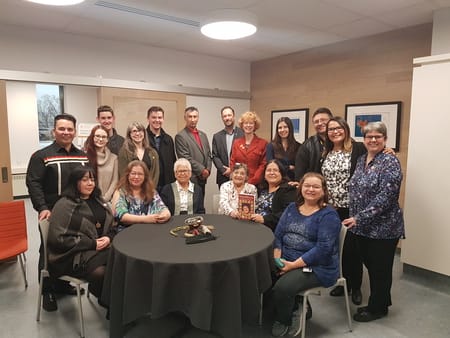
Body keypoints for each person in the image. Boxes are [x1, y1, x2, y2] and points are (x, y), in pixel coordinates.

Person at [26, 113, 89, 312]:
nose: (66, 132)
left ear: (75, 132)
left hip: (76, 213)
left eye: (70, 129)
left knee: (71, 249)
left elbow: (86, 182)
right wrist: (42, 207)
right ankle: (47, 292)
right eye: (62, 129)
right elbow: (33, 183)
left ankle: (63, 285)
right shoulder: (42, 156)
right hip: (51, 213)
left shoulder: (82, 156)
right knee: (48, 251)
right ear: (54, 131)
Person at [343, 122, 404, 323]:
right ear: (364, 139)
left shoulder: (390, 162)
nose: (373, 140)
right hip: (363, 228)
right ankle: (380, 302)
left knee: (380, 270)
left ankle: (378, 309)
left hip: (384, 228)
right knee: (373, 266)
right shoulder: (361, 159)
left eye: (378, 136)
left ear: (385, 139)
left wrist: (359, 217)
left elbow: (386, 197)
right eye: (369, 137)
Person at [271, 172, 341, 337]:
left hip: (317, 266)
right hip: (286, 259)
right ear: (300, 187)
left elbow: (323, 250)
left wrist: (291, 266)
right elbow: (278, 235)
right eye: (307, 185)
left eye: (316, 186)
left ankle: (285, 319)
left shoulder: (328, 215)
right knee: (262, 273)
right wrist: (277, 259)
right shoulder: (291, 208)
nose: (311, 189)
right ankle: (295, 304)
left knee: (283, 287)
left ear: (323, 191)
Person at [47, 166, 115, 300]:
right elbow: (58, 239)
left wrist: (108, 237)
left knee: (121, 265)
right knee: (101, 273)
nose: (90, 183)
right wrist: (92, 243)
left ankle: (119, 304)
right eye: (85, 180)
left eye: (92, 179)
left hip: (100, 249)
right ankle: (111, 306)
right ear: (74, 182)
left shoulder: (98, 200)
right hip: (72, 256)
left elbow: (112, 225)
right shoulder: (64, 205)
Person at [321, 116, 366, 304]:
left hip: (351, 208)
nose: (335, 131)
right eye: (331, 129)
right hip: (331, 208)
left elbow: (375, 157)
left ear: (345, 129)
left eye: (338, 128)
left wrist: (388, 151)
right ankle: (342, 283)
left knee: (352, 250)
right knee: (336, 248)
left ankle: (355, 287)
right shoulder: (326, 152)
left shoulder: (358, 149)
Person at [112, 160, 170, 229]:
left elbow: (163, 208)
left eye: (140, 174)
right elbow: (122, 216)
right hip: (126, 232)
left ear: (145, 176)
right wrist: (146, 219)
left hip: (150, 230)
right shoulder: (120, 192)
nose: (136, 177)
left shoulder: (151, 191)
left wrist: (166, 215)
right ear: (128, 175)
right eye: (133, 173)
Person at [175, 106, 212, 200]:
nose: (192, 119)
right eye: (190, 117)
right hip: (191, 178)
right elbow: (185, 157)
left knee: (200, 205)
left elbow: (208, 154)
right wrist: (202, 170)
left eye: (195, 117)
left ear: (198, 118)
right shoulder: (180, 136)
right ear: (185, 118)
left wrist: (208, 169)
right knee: (191, 205)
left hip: (203, 178)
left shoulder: (203, 135)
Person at [251, 160, 297, 231]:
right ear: (264, 175)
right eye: (269, 170)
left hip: (271, 229)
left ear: (281, 173)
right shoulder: (262, 189)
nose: (272, 173)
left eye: (275, 170)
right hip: (254, 225)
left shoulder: (288, 189)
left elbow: (289, 213)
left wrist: (264, 219)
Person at [294, 107, 333, 180]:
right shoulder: (307, 146)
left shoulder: (343, 142)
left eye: (323, 120)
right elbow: (299, 174)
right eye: (316, 121)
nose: (320, 123)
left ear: (332, 121)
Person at [229, 111, 267, 185]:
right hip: (238, 182)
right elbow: (232, 162)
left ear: (255, 125)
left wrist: (253, 181)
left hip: (256, 183)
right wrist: (236, 178)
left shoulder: (263, 143)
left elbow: (263, 165)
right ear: (242, 125)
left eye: (251, 123)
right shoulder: (236, 143)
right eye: (246, 123)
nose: (248, 125)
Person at [212, 106, 244, 188]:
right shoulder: (217, 136)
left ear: (234, 116)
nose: (227, 118)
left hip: (240, 176)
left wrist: (233, 170)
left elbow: (245, 156)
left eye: (229, 115)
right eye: (224, 116)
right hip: (223, 177)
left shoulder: (243, 134)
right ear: (222, 118)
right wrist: (225, 170)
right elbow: (215, 156)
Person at [84, 125, 118, 202]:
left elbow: (115, 180)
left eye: (104, 137)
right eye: (97, 136)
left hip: (107, 200)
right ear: (92, 137)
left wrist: (106, 198)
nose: (100, 139)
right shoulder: (84, 157)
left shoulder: (114, 158)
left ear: (107, 140)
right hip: (89, 200)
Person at [146, 106, 176, 191]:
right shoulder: (143, 138)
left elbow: (173, 161)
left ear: (163, 119)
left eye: (160, 117)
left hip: (167, 185)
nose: (157, 120)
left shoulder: (168, 139)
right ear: (148, 119)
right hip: (149, 184)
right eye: (154, 117)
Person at [266, 117, 301, 181]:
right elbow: (270, 166)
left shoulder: (298, 146)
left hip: (292, 182)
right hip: (276, 181)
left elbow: (299, 167)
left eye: (285, 127)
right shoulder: (271, 146)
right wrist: (289, 167)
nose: (282, 130)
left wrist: (280, 166)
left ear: (290, 128)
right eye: (280, 128)